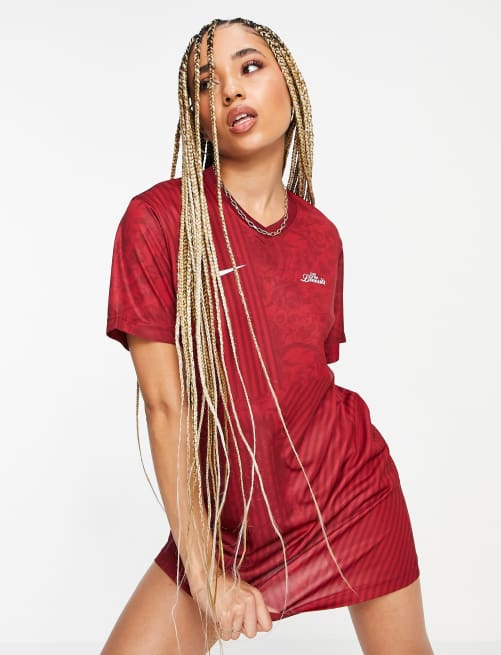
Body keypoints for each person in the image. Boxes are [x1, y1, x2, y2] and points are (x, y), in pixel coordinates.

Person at [101, 17, 434, 655]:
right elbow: (166, 406)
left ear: (291, 86)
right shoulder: (158, 220)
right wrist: (205, 573)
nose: (229, 89)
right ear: (196, 114)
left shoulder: (322, 237)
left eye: (249, 67)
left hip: (351, 497)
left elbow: (300, 386)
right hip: (223, 523)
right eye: (207, 82)